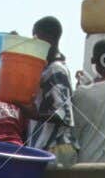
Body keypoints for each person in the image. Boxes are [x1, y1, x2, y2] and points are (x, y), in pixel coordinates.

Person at [25, 16, 77, 165]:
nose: (33, 41)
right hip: (45, 148)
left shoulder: (55, 70)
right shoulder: (47, 69)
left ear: (50, 39)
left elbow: (62, 114)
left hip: (55, 148)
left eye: (36, 37)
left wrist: (31, 113)